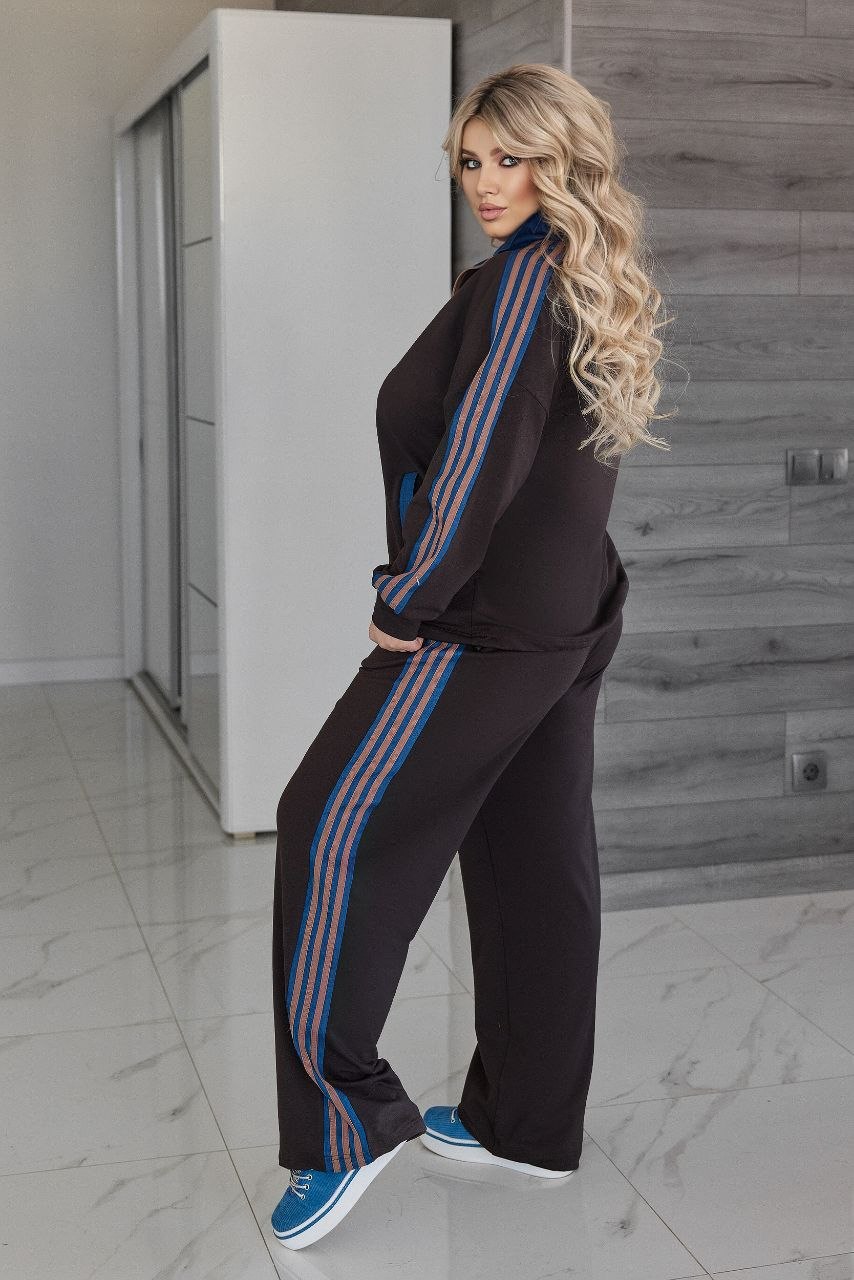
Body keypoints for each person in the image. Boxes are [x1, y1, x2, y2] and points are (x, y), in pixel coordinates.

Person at [270, 61, 671, 1250]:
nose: (487, 183)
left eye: (513, 159)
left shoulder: (521, 284)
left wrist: (410, 595)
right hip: (568, 612)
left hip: (482, 621)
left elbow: (477, 460)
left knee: (325, 821)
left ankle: (344, 1122)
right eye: (470, 161)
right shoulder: (578, 270)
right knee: (531, 856)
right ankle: (525, 1123)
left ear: (561, 161)